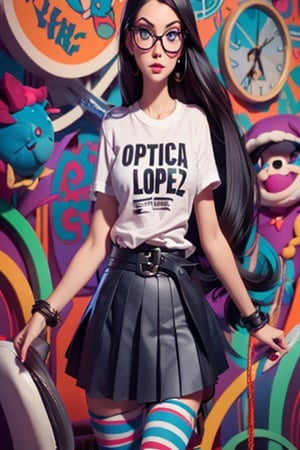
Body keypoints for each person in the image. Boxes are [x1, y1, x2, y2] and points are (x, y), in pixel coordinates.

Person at [14, 0, 288, 448]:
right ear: (130, 42)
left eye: (171, 34)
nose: (158, 47)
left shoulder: (194, 124)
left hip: (178, 303)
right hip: (118, 305)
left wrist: (255, 319)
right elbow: (95, 242)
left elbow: (212, 236)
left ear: (182, 48)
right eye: (145, 32)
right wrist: (45, 313)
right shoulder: (115, 127)